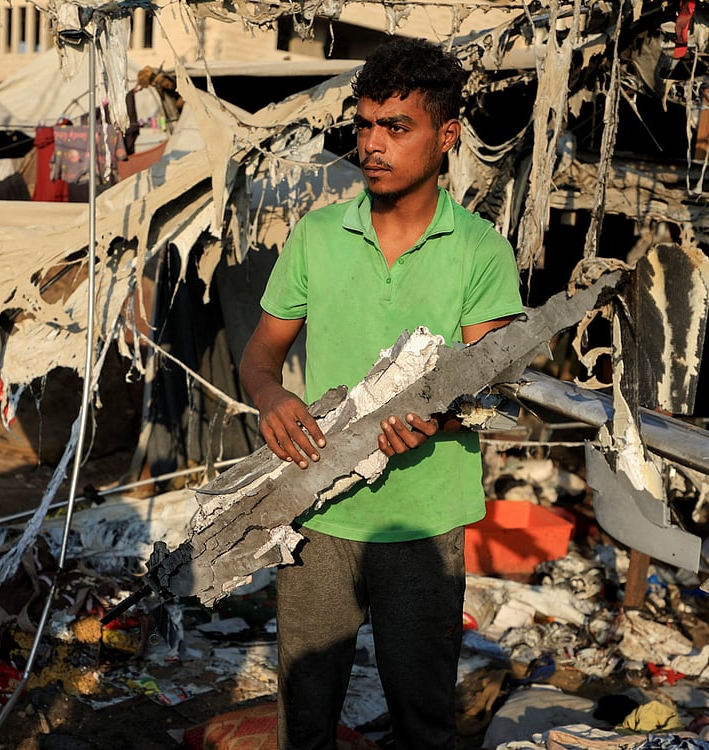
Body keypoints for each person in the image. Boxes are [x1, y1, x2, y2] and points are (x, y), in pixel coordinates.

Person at [238, 36, 524, 750]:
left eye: (397, 127)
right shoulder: (318, 236)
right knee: (304, 721)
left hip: (423, 527)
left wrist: (438, 417)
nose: (373, 143)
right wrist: (272, 399)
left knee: (424, 722)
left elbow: (497, 385)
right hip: (318, 514)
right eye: (365, 124)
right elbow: (260, 356)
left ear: (446, 135)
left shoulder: (480, 251)